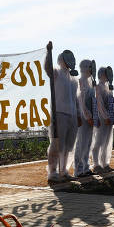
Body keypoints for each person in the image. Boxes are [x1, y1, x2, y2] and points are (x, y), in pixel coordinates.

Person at [43, 43, 80, 182]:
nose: (70, 61)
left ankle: (64, 171)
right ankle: (52, 172)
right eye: (67, 58)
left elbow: (76, 98)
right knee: (57, 144)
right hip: (59, 113)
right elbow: (47, 69)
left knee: (69, 146)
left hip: (71, 115)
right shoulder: (57, 73)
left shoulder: (73, 79)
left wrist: (79, 114)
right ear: (61, 59)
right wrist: (48, 52)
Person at [74, 59, 96, 177]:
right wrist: (88, 116)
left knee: (88, 143)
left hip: (90, 118)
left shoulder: (90, 83)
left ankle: (86, 168)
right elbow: (81, 102)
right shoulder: (81, 82)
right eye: (90, 67)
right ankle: (78, 169)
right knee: (81, 143)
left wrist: (94, 117)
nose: (92, 69)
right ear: (85, 67)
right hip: (84, 118)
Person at [91, 66, 114, 173]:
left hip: (109, 118)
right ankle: (96, 164)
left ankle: (105, 164)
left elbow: (111, 103)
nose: (109, 76)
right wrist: (105, 117)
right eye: (107, 73)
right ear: (101, 74)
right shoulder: (98, 87)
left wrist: (113, 116)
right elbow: (99, 103)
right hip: (102, 117)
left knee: (106, 142)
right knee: (99, 142)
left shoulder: (108, 87)